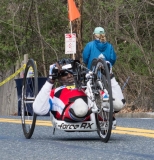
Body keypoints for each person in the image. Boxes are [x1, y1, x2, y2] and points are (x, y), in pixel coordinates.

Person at [82, 27, 126, 127]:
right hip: (106, 75)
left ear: (94, 35)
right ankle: (112, 115)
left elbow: (85, 58)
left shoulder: (90, 45)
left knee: (90, 93)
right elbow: (113, 59)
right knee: (109, 94)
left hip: (92, 74)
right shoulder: (109, 46)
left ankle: (89, 113)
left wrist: (88, 65)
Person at [33, 58, 94, 122]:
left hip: (95, 110)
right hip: (73, 110)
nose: (69, 75)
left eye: (72, 72)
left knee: (104, 100)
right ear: (59, 78)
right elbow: (38, 109)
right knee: (81, 107)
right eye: (65, 74)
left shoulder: (87, 86)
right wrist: (50, 80)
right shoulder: (54, 92)